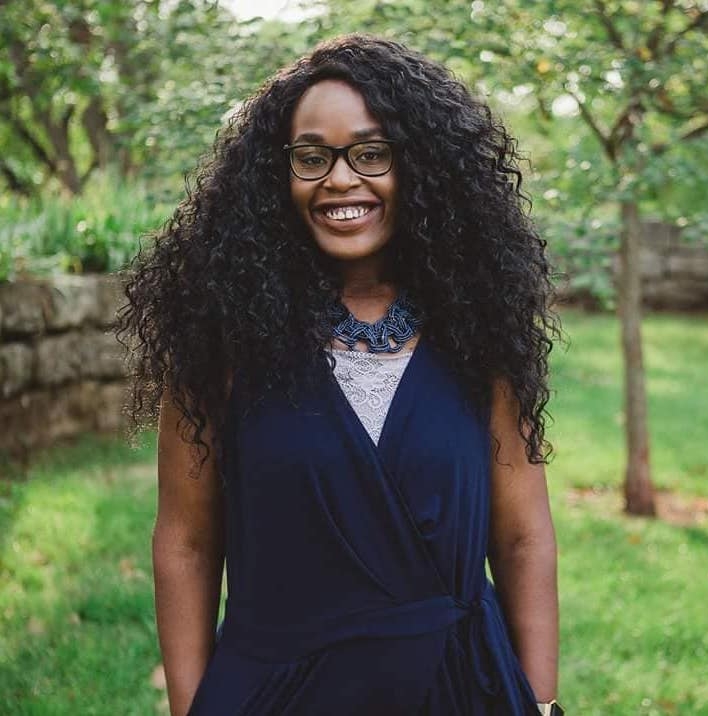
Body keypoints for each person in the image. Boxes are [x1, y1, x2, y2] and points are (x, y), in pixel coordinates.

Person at [119, 34, 562, 716]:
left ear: (421, 167)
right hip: (277, 692)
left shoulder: (481, 332)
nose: (340, 178)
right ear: (277, 175)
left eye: (372, 152)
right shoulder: (220, 336)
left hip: (460, 688)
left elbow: (523, 534)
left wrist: (539, 702)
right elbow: (186, 538)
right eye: (311, 156)